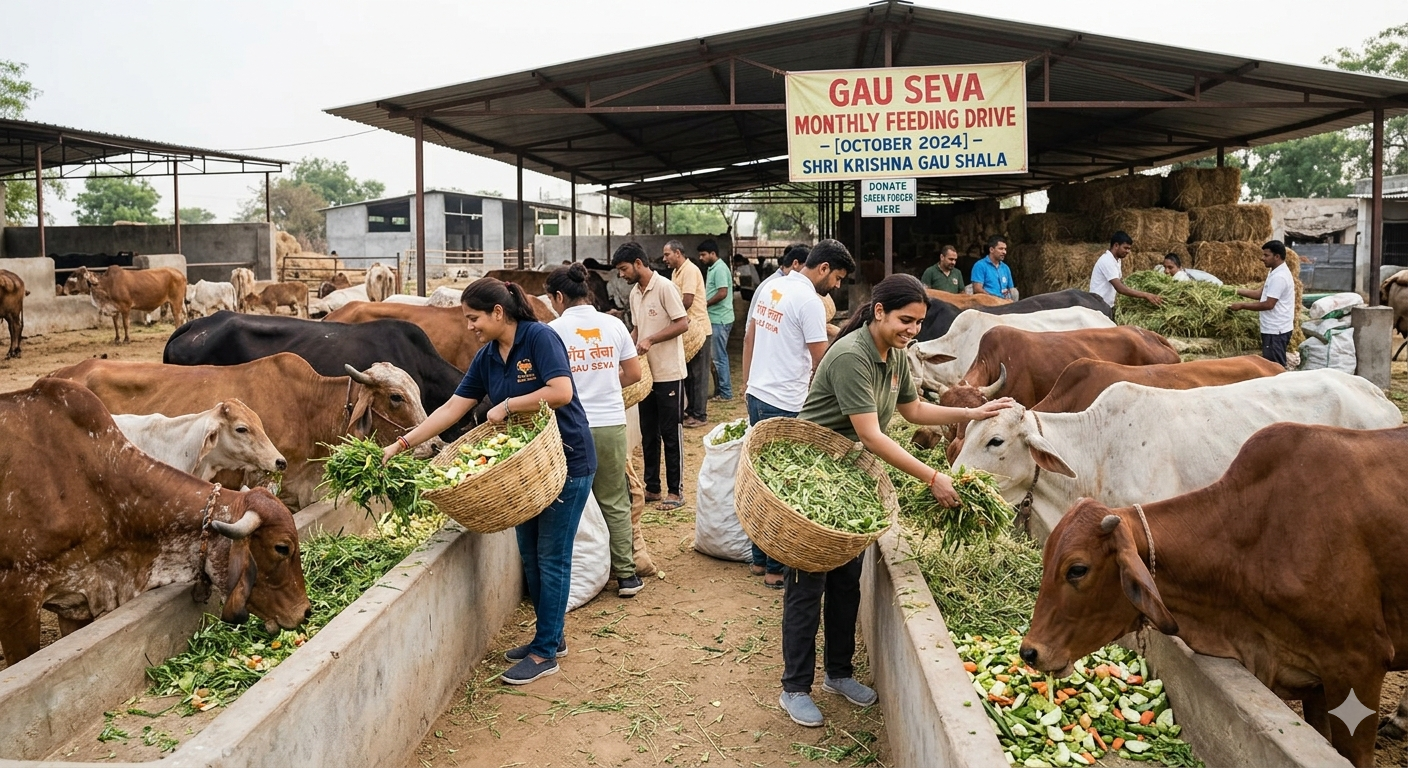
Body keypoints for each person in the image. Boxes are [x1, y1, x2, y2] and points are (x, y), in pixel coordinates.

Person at [779, 273, 1012, 727]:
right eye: (906, 320)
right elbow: (870, 432)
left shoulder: (898, 355)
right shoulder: (852, 356)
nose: (913, 330)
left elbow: (913, 411)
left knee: (847, 580)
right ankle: (794, 686)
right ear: (879, 312)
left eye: (920, 323)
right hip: (813, 472)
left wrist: (972, 412)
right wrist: (932, 477)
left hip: (850, 478)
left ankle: (839, 673)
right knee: (808, 586)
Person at [383, 277, 596, 685]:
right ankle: (550, 636)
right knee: (530, 554)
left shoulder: (539, 339)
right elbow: (451, 408)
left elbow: (563, 391)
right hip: (521, 469)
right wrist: (404, 442)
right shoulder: (487, 357)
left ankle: (545, 651)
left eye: (473, 317)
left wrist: (509, 404)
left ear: (498, 312)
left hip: (565, 459)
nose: (469, 326)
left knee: (552, 557)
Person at [740, 239, 854, 588]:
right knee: (782, 486)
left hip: (758, 393)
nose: (836, 285)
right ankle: (777, 568)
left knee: (760, 481)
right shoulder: (809, 300)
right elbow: (823, 360)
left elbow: (749, 339)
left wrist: (748, 385)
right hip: (787, 401)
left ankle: (760, 560)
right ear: (823, 269)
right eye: (836, 278)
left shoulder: (771, 287)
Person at [546, 263, 645, 599]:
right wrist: (605, 382)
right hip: (611, 423)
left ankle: (578, 574)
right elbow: (634, 374)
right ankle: (627, 575)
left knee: (572, 502)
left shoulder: (554, 330)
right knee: (615, 497)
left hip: (571, 427)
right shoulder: (614, 325)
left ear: (559, 296)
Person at [613, 242, 690, 510]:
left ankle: (676, 492)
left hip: (669, 372)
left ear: (637, 263)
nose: (621, 275)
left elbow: (683, 323)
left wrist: (651, 340)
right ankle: (652, 488)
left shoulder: (665, 287)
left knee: (671, 432)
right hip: (646, 376)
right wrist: (624, 351)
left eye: (623, 269)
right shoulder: (635, 293)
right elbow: (637, 328)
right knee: (648, 433)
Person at [664, 240, 712, 428]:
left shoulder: (690, 270)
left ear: (678, 253)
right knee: (689, 374)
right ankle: (691, 411)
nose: (665, 258)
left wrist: (669, 313)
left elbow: (687, 301)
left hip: (699, 330)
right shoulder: (676, 272)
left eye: (667, 254)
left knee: (699, 375)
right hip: (687, 330)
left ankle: (700, 415)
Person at [1229, 240, 1296, 367]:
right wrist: (1235, 291)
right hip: (1273, 329)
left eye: (1266, 255)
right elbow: (1261, 294)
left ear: (1277, 257)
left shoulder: (1279, 277)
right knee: (1272, 365)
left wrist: (1242, 306)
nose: (1262, 258)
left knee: (1275, 368)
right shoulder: (1273, 271)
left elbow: (1268, 304)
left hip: (1276, 330)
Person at [699, 239, 735, 402]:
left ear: (713, 254)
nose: (701, 258)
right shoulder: (713, 268)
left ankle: (726, 393)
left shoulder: (719, 268)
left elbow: (722, 293)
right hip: (716, 317)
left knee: (719, 357)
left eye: (704, 254)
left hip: (720, 318)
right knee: (717, 357)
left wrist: (704, 303)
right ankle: (720, 391)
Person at [1090, 231, 1163, 309]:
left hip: (1106, 305)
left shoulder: (1117, 260)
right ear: (1116, 245)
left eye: (1129, 249)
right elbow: (1120, 288)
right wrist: (1146, 295)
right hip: (1098, 305)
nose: (1128, 251)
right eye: (1125, 248)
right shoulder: (1107, 260)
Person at [970, 236, 1016, 300]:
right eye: (1001, 249)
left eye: (1005, 249)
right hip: (987, 303)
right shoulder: (980, 265)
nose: (1004, 252)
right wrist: (994, 300)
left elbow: (1011, 289)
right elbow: (977, 289)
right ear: (991, 250)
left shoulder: (1005, 268)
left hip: (1004, 304)